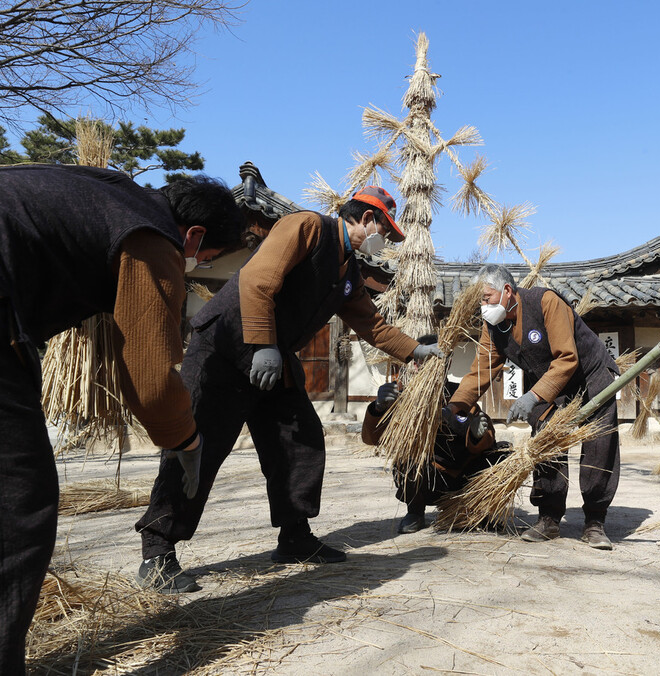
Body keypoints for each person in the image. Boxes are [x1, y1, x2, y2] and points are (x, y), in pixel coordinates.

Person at [135, 186, 444, 592]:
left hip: (274, 358)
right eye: (384, 232)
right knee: (198, 446)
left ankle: (295, 535)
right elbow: (259, 280)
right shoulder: (307, 227)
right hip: (226, 348)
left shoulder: (346, 271)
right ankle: (157, 553)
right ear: (367, 218)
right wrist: (263, 343)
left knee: (300, 440)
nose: (383, 242)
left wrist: (416, 351)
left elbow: (373, 326)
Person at [0, 165, 244, 676]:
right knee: (18, 506)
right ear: (194, 235)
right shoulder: (152, 237)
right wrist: (186, 437)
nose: (197, 265)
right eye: (204, 257)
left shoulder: (106, 192)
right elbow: (151, 378)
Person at [447, 264, 620, 550]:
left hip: (590, 375)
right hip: (549, 383)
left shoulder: (545, 302)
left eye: (486, 298)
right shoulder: (493, 325)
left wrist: (531, 396)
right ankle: (549, 518)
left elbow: (566, 358)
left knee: (600, 443)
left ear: (506, 290)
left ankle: (595, 521)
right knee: (544, 437)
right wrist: (456, 406)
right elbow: (482, 368)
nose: (483, 306)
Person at [360, 366, 511, 534]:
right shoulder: (401, 396)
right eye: (417, 362)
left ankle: (475, 512)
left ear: (446, 366)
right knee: (409, 457)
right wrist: (378, 408)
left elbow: (488, 439)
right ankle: (415, 512)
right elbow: (372, 439)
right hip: (428, 478)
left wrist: (476, 436)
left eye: (431, 362)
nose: (421, 367)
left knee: (504, 454)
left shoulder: (461, 393)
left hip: (464, 474)